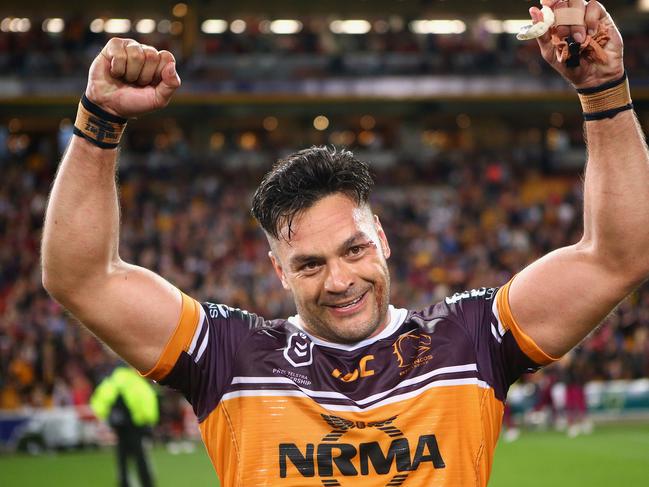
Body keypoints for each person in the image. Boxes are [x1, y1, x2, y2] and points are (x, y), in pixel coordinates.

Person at [41, 1, 649, 485]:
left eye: (353, 249)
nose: (338, 281)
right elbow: (81, 278)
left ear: (381, 237)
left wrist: (603, 89)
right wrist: (99, 121)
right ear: (278, 272)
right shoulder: (229, 357)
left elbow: (619, 257)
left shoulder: (470, 339)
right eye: (308, 264)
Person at [90, 364, 159, 487]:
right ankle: (147, 483)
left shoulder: (111, 381)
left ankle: (124, 483)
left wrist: (106, 417)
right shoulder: (136, 381)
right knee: (141, 458)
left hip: (119, 428)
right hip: (136, 428)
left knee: (122, 459)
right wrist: (147, 421)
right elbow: (147, 402)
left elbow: (98, 403)